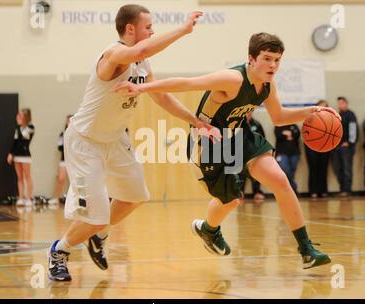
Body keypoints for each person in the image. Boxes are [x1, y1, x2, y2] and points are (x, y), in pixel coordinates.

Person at [113, 32, 342, 269]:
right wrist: (142, 88)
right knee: (231, 201)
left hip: (238, 136)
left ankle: (306, 250)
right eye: (267, 58)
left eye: (277, 60)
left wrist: (311, 111)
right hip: (208, 144)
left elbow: (279, 116)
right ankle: (208, 229)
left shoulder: (266, 85)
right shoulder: (233, 79)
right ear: (251, 58)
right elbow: (187, 83)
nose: (273, 65)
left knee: (280, 181)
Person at [47, 5, 219, 282]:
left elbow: (160, 96)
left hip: (115, 138)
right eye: (148, 27)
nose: (152, 32)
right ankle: (59, 251)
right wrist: (183, 30)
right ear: (130, 28)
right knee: (96, 217)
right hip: (86, 141)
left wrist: (195, 121)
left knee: (135, 197)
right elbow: (140, 51)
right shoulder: (113, 54)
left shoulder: (143, 63)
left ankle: (96, 234)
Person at [7, 109, 35, 206]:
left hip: (25, 155)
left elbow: (24, 136)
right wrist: (11, 153)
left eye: (20, 115)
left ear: (25, 117)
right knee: (19, 177)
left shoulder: (30, 127)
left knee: (27, 176)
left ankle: (29, 199)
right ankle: (21, 198)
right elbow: (15, 142)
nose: (18, 117)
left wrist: (20, 125)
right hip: (17, 155)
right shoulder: (17, 127)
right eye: (18, 115)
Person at [332, 96, 358, 197]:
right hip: (336, 146)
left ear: (346, 104)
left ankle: (347, 189)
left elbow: (353, 129)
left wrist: (350, 142)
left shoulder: (350, 115)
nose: (340, 105)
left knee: (347, 168)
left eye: (342, 103)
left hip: (346, 147)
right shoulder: (337, 115)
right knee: (337, 168)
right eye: (338, 103)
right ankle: (342, 188)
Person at [305, 100, 331, 199]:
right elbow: (306, 132)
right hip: (312, 146)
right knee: (313, 168)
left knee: (323, 168)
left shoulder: (330, 119)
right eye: (321, 107)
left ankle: (323, 191)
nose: (322, 109)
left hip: (325, 146)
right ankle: (313, 191)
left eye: (325, 107)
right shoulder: (311, 118)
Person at [239, 111, 266, 201]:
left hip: (254, 153)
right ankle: (240, 192)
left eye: (250, 112)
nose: (249, 114)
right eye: (247, 112)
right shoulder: (239, 124)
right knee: (241, 174)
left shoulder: (257, 124)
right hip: (241, 153)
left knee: (256, 174)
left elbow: (262, 138)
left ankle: (257, 192)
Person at [48, 115, 72, 206]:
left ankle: (72, 201)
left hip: (73, 162)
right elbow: (60, 147)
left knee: (73, 182)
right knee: (61, 179)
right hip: (64, 160)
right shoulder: (63, 133)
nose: (70, 123)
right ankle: (56, 198)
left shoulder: (77, 133)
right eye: (68, 121)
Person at [274, 123, 300, 193]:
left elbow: (297, 135)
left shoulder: (294, 125)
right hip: (282, 153)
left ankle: (289, 191)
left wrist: (286, 134)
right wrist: (290, 135)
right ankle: (293, 188)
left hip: (294, 153)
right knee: (285, 171)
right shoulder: (278, 125)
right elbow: (279, 135)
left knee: (292, 172)